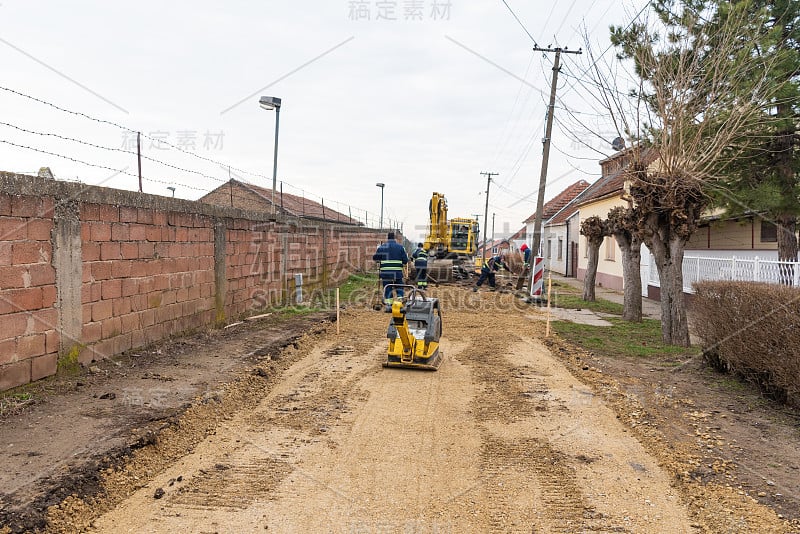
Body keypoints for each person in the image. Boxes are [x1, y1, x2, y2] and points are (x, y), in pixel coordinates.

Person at [373, 232, 409, 311]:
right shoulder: (400, 247)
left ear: (387, 238)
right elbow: (405, 261)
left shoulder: (382, 247)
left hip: (386, 273)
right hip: (397, 273)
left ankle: (389, 306)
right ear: (394, 238)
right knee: (399, 287)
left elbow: (375, 258)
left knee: (388, 287)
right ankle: (400, 304)